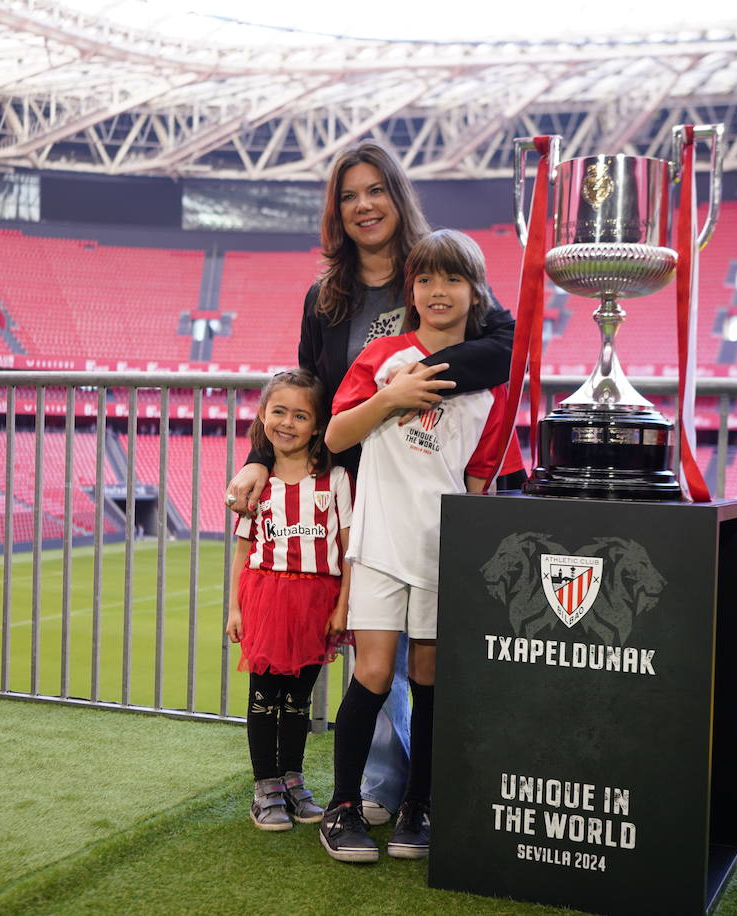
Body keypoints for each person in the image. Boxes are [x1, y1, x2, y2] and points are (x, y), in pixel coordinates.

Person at [224, 141, 521, 827]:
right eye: (349, 194)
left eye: (376, 190)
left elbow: (505, 349)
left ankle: (397, 788)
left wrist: (413, 377)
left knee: (417, 658)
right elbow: (304, 395)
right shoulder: (324, 298)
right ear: (337, 209)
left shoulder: (438, 271)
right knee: (366, 653)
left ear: (398, 196)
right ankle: (325, 785)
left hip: (426, 485)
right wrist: (261, 458)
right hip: (351, 490)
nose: (363, 205)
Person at [318, 229, 510, 863]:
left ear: (474, 290)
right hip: (378, 540)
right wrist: (390, 397)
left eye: (452, 280)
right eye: (425, 280)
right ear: (411, 289)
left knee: (428, 678)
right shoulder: (384, 355)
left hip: (441, 551)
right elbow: (337, 436)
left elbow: (479, 479)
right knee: (372, 673)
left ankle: (418, 803)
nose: (437, 292)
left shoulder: (491, 385)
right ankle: (343, 804)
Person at [226, 369, 352, 831]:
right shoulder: (257, 484)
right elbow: (243, 549)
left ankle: (293, 778)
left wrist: (342, 607)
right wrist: (234, 608)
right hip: (266, 597)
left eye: (301, 415)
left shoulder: (335, 480)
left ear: (318, 425)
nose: (288, 422)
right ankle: (266, 787)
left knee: (299, 697)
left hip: (316, 601)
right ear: (263, 416)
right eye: (278, 411)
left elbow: (347, 546)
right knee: (264, 695)